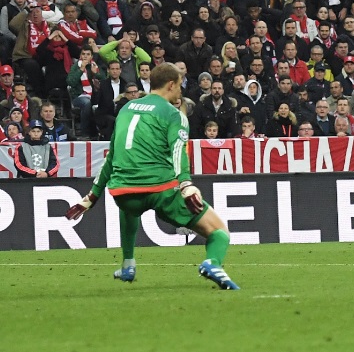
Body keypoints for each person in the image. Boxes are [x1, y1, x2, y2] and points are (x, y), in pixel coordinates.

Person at [65, 63, 239, 290]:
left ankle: (128, 264)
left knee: (130, 205)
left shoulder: (126, 108)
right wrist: (186, 184)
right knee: (219, 232)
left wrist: (92, 196)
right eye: (179, 86)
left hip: (122, 192)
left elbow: (112, 156)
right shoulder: (172, 114)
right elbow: (178, 151)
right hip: (161, 190)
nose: (180, 91)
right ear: (171, 84)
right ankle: (212, 263)